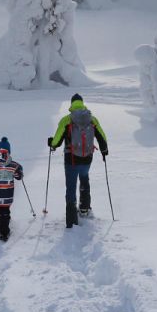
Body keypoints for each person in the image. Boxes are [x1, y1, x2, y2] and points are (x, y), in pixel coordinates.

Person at [47, 94, 107, 228]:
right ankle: (85, 209)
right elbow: (102, 136)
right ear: (82, 103)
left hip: (71, 159)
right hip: (87, 158)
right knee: (84, 179)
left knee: (71, 186)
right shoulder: (92, 119)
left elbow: (57, 140)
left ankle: (71, 219)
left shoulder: (67, 120)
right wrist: (104, 150)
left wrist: (52, 144)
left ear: (72, 104)